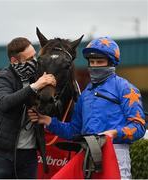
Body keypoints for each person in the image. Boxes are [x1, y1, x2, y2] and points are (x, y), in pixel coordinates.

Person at [28, 36, 146, 179]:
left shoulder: (125, 88)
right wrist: (48, 121)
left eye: (100, 62)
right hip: (87, 156)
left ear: (111, 62)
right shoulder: (85, 95)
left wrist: (114, 133)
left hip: (115, 154)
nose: (95, 66)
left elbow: (138, 126)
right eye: (92, 62)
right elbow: (74, 131)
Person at [0, 37, 56, 179]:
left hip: (29, 154)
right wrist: (35, 86)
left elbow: (51, 106)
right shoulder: (4, 78)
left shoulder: (36, 75)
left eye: (35, 55)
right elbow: (4, 103)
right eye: (30, 58)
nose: (35, 61)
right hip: (2, 153)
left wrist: (40, 112)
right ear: (14, 61)